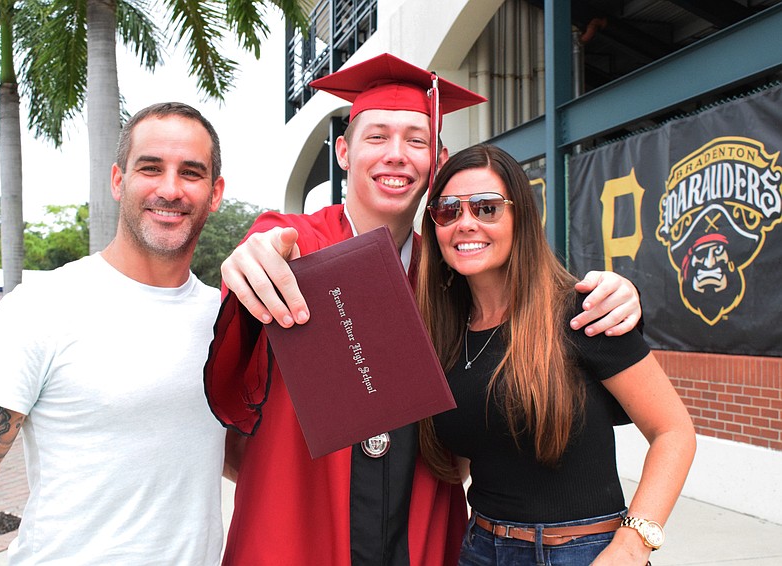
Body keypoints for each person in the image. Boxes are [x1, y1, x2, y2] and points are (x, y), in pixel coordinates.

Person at [205, 53, 643, 565]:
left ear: (437, 159)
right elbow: (259, 269)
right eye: (377, 137)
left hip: (422, 526)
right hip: (301, 525)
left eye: (416, 140)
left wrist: (617, 289)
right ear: (344, 152)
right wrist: (252, 259)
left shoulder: (452, 278)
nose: (397, 154)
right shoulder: (296, 245)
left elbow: (530, 300)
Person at [0, 102, 227, 565]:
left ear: (214, 193)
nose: (170, 189)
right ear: (118, 180)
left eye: (190, 173)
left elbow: (225, 451)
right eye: (150, 168)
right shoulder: (41, 306)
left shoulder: (225, 319)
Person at [416, 144, 696, 565]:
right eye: (448, 210)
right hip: (480, 547)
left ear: (520, 217)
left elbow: (674, 432)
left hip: (581, 552)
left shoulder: (582, 311)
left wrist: (631, 546)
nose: (465, 223)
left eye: (487, 208)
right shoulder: (445, 334)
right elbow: (459, 462)